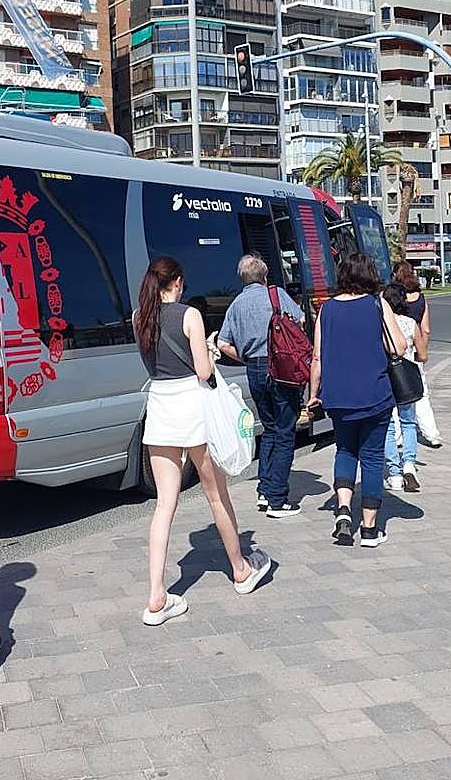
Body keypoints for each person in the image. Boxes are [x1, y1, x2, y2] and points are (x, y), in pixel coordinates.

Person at [134, 256, 271, 626]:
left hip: (160, 408)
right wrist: (209, 351)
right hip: (193, 409)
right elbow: (204, 372)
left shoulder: (138, 317)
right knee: (215, 494)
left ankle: (156, 596)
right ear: (177, 282)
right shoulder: (189, 315)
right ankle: (241, 569)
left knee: (165, 503)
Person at [307, 253, 407, 548]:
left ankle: (342, 511)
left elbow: (316, 357)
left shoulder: (326, 310)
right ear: (370, 275)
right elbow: (399, 347)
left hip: (337, 397)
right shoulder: (378, 304)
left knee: (345, 451)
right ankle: (369, 528)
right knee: (373, 458)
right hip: (375, 394)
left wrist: (314, 394)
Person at [216, 254, 305, 517]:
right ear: (264, 276)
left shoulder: (236, 305)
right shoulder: (275, 295)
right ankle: (278, 498)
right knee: (286, 430)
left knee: (269, 429)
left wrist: (245, 355)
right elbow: (299, 320)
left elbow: (222, 344)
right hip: (281, 367)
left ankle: (264, 491)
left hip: (254, 368)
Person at [382, 283, 428, 493]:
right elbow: (423, 354)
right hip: (407, 380)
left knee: (389, 426)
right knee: (408, 422)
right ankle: (409, 464)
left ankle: (394, 473)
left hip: (386, 379)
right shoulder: (411, 323)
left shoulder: (381, 324)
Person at [392, 262, 441, 448]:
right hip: (414, 352)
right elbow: (426, 329)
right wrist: (422, 352)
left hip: (396, 354)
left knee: (396, 397)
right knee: (421, 394)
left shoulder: (394, 297)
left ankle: (397, 437)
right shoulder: (421, 299)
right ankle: (432, 435)